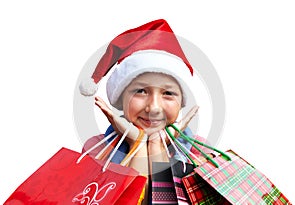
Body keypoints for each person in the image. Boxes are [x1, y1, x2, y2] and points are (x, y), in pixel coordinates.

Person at [79, 19, 210, 205]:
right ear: (121, 98)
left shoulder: (199, 155)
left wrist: (157, 146)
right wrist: (138, 145)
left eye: (168, 93)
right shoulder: (97, 150)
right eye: (141, 91)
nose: (154, 107)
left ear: (181, 101)